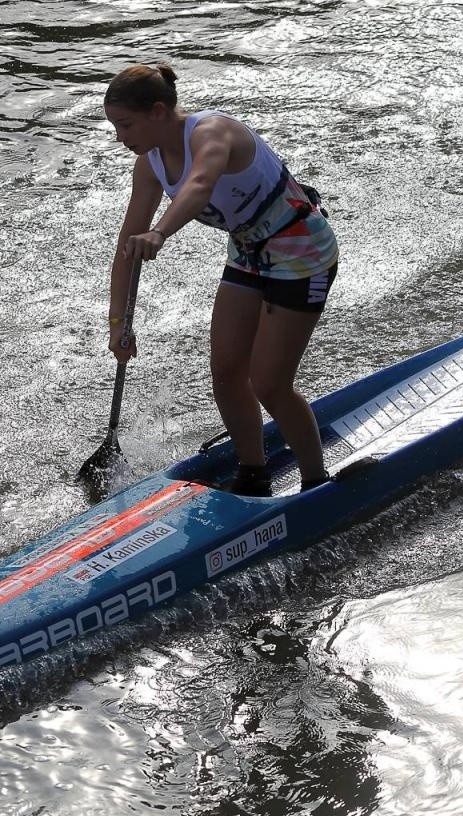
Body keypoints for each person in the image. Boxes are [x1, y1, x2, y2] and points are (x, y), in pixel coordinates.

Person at [103, 63, 338, 495]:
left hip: (302, 252)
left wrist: (159, 231)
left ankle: (316, 482)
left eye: (125, 125)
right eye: (115, 127)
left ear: (158, 112)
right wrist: (119, 323)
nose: (121, 137)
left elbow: (199, 186)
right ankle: (253, 474)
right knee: (227, 372)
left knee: (269, 382)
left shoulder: (212, 133)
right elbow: (125, 248)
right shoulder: (150, 163)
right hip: (249, 253)